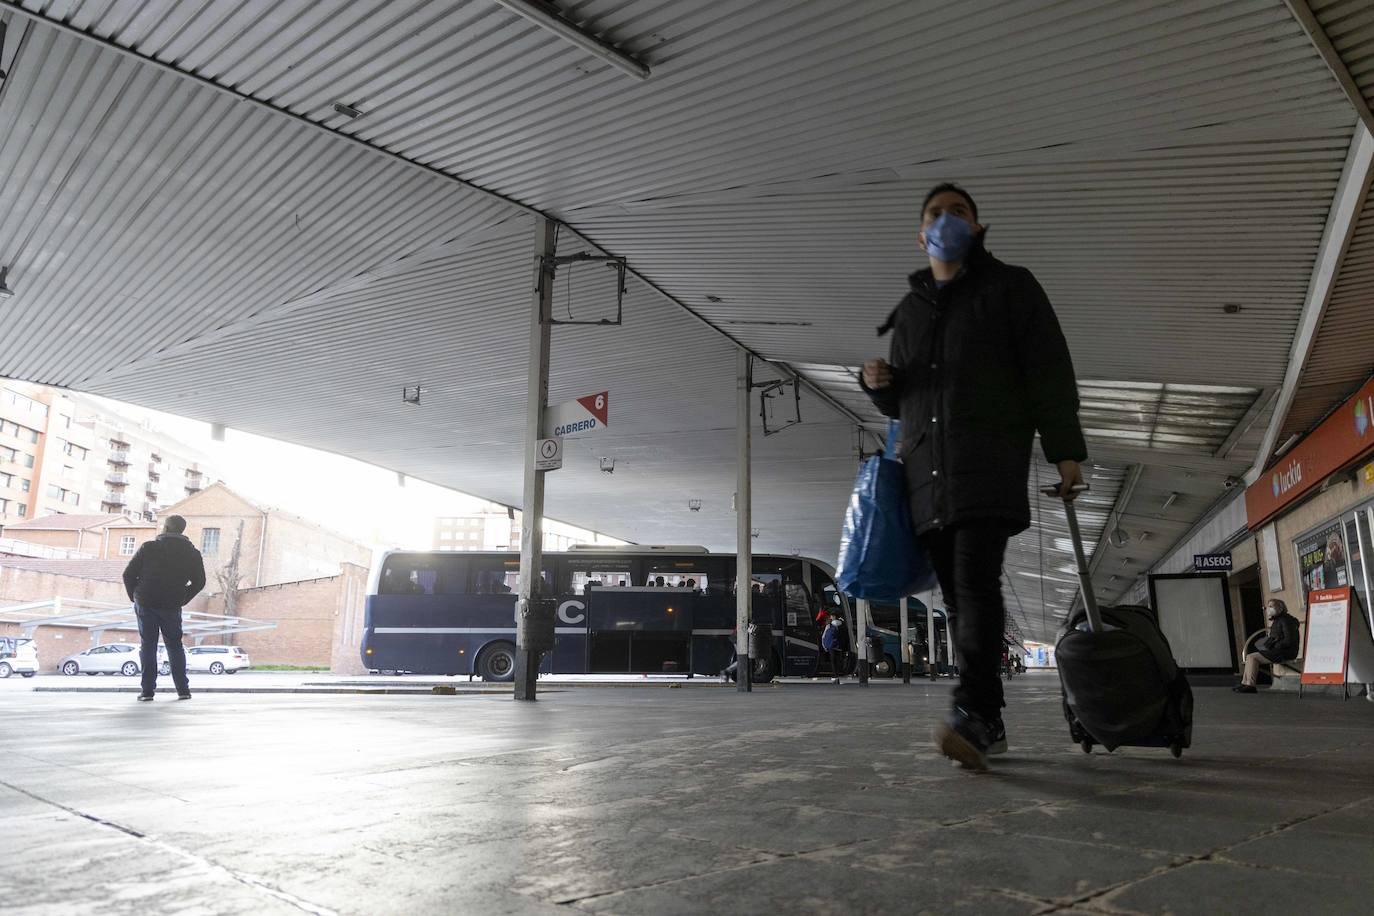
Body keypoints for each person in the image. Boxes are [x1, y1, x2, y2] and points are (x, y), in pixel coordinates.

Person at [862, 183, 1086, 771]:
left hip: (987, 463)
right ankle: (989, 720)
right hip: (926, 477)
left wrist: (1066, 451)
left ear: (978, 227)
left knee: (974, 584)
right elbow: (909, 404)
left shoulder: (1011, 288)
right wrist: (880, 387)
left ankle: (975, 712)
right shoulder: (909, 312)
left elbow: (1048, 370)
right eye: (935, 214)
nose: (946, 221)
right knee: (960, 600)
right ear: (920, 234)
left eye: (958, 212)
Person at [122, 515, 206, 701]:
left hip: (146, 602)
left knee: (148, 645)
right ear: (182, 530)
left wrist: (135, 597)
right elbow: (200, 582)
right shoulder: (192, 553)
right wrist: (182, 597)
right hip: (171, 605)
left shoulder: (149, 548)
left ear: (166, 528)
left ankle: (147, 692)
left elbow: (128, 574)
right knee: (175, 646)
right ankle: (183, 690)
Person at [1235, 599, 1301, 693]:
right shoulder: (1279, 620)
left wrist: (1274, 645)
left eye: (1271, 606)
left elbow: (1288, 640)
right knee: (1250, 656)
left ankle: (1250, 685)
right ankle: (1246, 683)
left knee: (1253, 657)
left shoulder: (1286, 620)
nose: (1268, 609)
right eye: (1268, 606)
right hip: (1279, 651)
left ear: (1280, 608)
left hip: (1284, 652)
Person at [821, 616, 849, 684]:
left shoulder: (829, 625)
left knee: (833, 661)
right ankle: (838, 674)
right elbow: (846, 637)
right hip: (840, 646)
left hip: (831, 646)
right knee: (838, 661)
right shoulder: (843, 625)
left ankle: (835, 675)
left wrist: (824, 646)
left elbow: (824, 636)